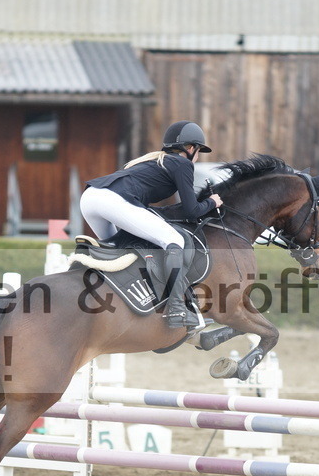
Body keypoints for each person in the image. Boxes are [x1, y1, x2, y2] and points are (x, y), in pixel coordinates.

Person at [81, 121, 223, 328]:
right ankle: (176, 309)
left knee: (117, 250)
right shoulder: (182, 163)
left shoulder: (153, 161)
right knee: (174, 240)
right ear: (190, 148)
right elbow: (191, 212)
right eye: (199, 150)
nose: (198, 155)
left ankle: (116, 303)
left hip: (90, 198)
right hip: (111, 200)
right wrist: (212, 202)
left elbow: (149, 209)